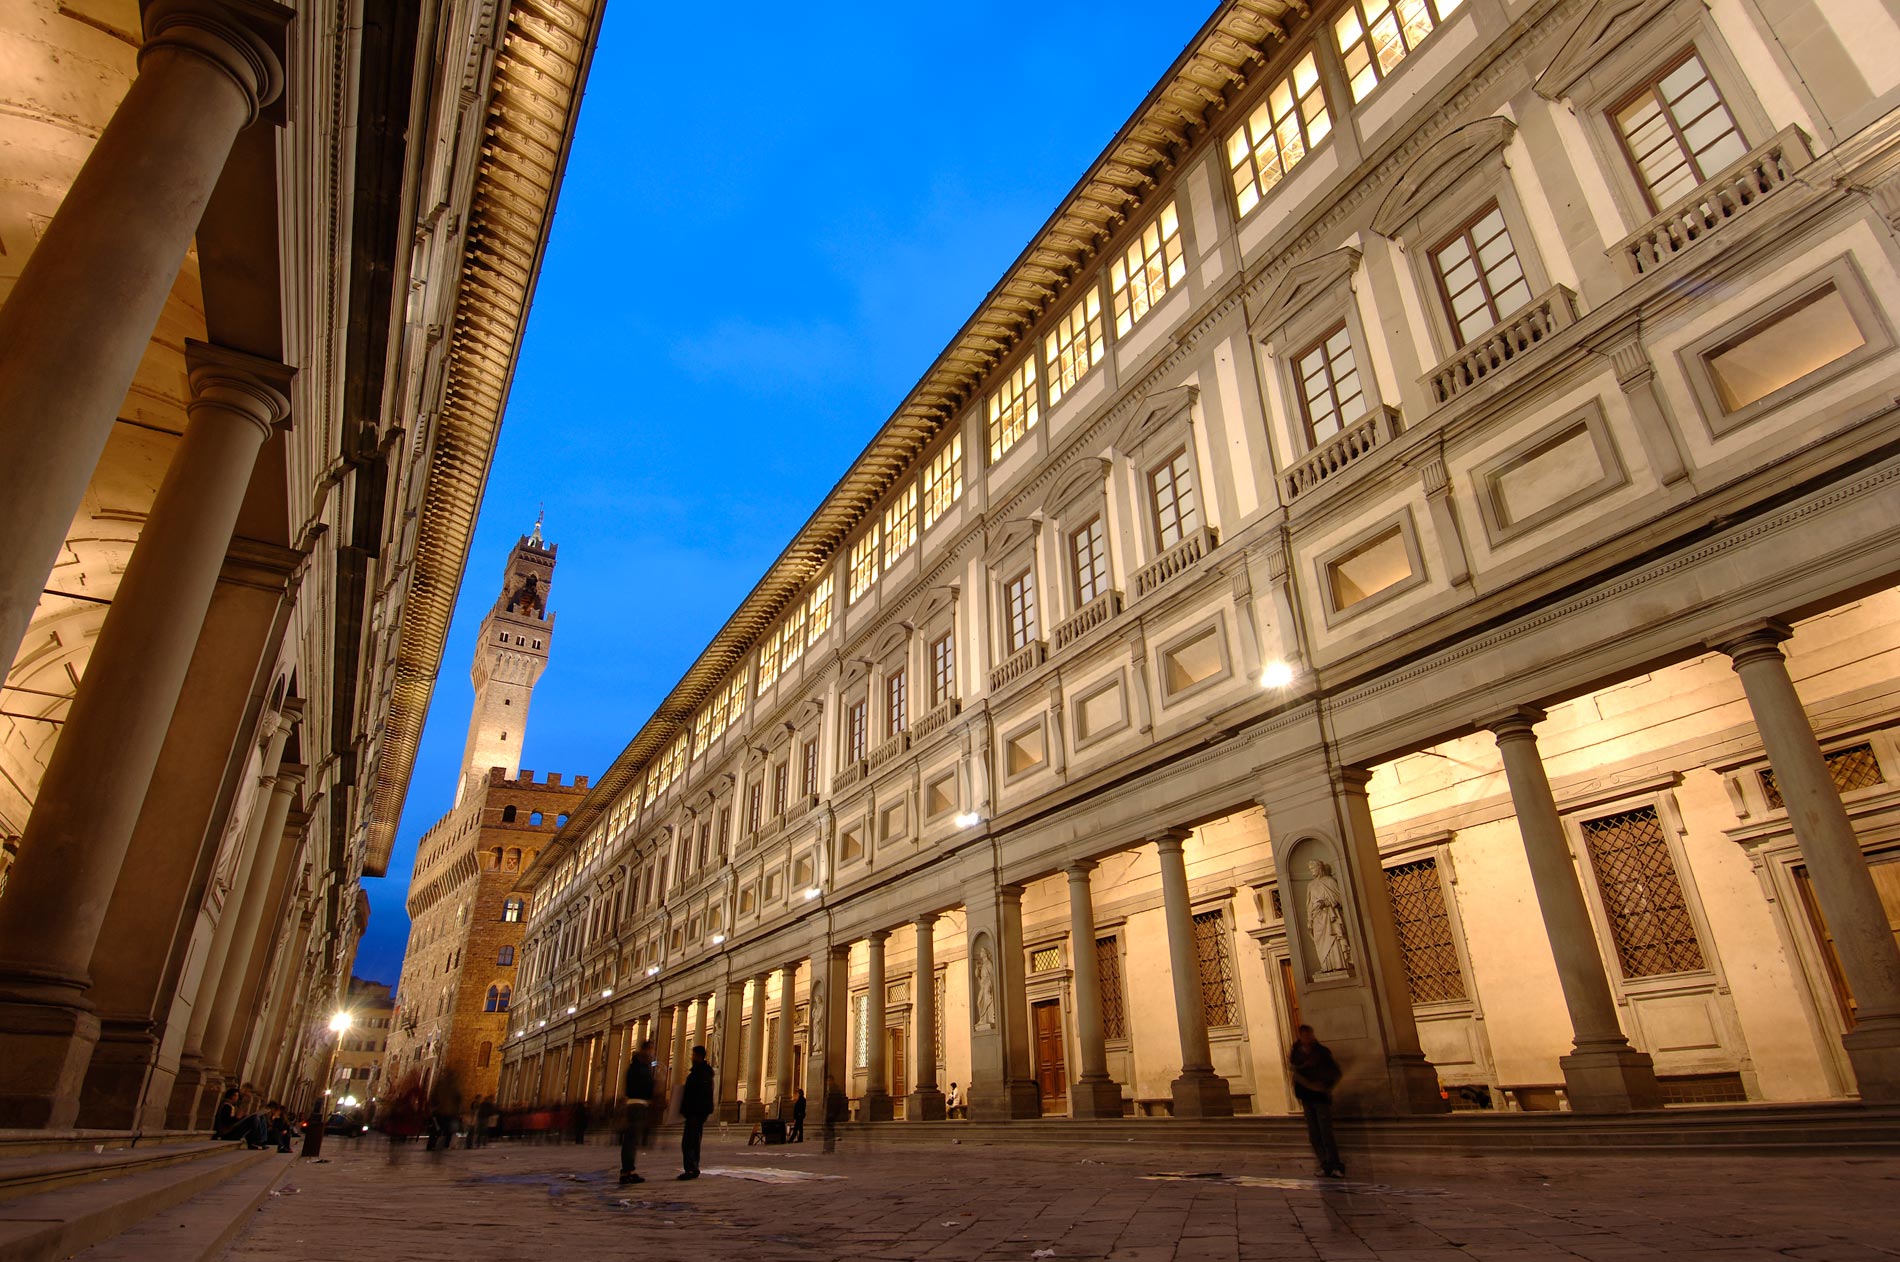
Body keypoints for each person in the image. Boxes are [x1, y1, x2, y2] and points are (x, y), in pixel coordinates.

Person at [1288, 1024, 1345, 1178]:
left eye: (1309, 1034)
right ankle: (1325, 1164)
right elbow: (1295, 1073)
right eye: (1304, 1034)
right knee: (1314, 1134)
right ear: (1300, 1036)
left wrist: (1325, 1087)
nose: (1307, 1037)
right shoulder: (1296, 1054)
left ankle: (1335, 1165)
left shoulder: (1321, 1052)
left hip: (1320, 1097)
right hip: (1306, 1097)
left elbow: (1334, 1072)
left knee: (1326, 1132)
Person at [620, 1040, 656, 1185]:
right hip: (637, 1105)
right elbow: (643, 1086)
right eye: (651, 1050)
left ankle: (629, 1170)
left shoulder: (636, 1067)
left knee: (632, 1140)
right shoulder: (639, 1068)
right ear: (645, 1050)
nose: (652, 1053)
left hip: (636, 1104)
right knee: (631, 1140)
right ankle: (626, 1171)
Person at [678, 1045, 714, 1180]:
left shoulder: (699, 1073)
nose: (691, 1057)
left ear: (698, 1056)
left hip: (695, 1111)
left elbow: (696, 1094)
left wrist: (687, 1109)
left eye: (693, 1055)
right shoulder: (705, 1072)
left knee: (688, 1142)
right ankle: (694, 1166)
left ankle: (691, 1168)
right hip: (699, 1111)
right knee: (694, 1140)